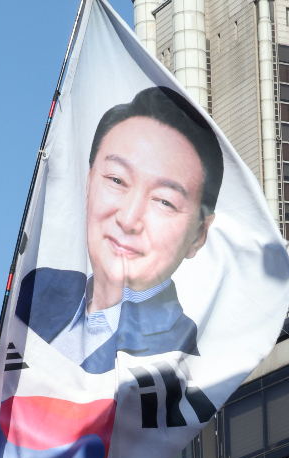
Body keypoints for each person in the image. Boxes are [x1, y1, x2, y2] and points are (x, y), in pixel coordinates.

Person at [15, 86, 224, 374]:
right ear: (88, 183)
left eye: (164, 201)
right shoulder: (37, 290)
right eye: (116, 180)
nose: (128, 219)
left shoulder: (181, 359)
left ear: (199, 234)